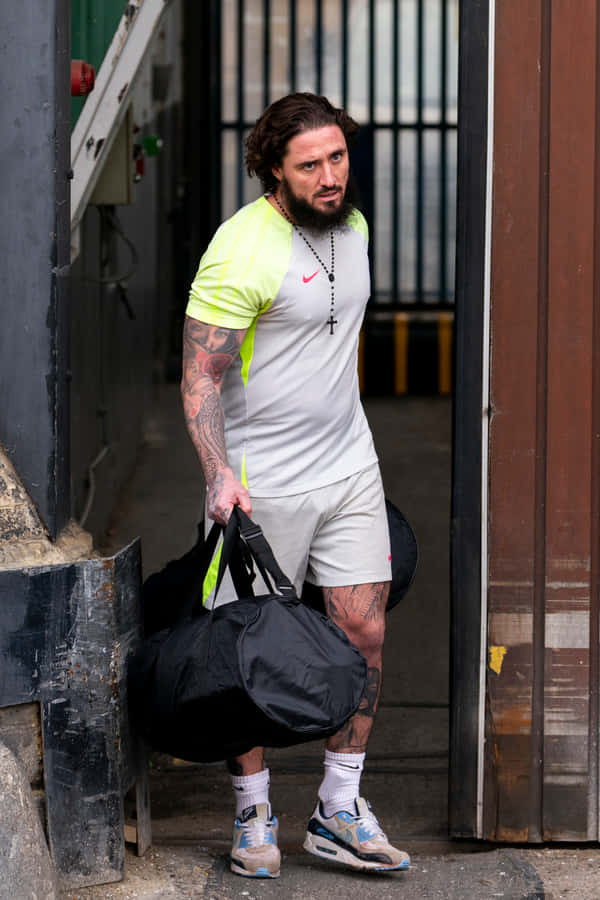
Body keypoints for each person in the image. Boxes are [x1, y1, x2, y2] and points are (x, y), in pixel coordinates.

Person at [181, 92, 410, 878]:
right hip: (260, 482)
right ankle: (252, 814)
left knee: (364, 632)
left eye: (337, 157)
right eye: (310, 164)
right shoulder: (242, 248)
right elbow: (202, 375)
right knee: (249, 650)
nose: (330, 176)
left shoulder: (354, 228)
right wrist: (216, 477)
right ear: (272, 170)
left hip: (348, 464)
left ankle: (338, 809)